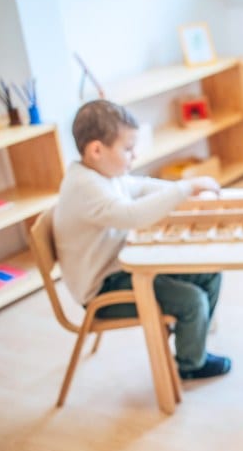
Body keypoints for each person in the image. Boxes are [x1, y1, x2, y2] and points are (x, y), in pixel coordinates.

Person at [53, 99, 231, 380]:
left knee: (209, 272)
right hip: (104, 290)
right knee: (192, 301)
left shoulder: (103, 174)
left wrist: (183, 190)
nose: (134, 155)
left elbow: (140, 186)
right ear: (97, 150)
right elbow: (131, 215)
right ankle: (190, 363)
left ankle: (190, 337)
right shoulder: (84, 186)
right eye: (127, 149)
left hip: (124, 268)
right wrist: (185, 189)